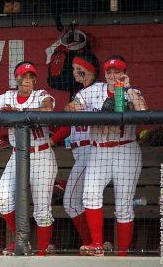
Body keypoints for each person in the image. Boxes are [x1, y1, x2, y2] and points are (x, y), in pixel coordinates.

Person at [66, 55, 148, 256]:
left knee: (123, 205)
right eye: (109, 71)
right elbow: (69, 106)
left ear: (125, 73)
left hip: (125, 149)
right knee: (90, 195)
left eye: (117, 71)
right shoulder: (93, 90)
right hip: (99, 149)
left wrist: (128, 89)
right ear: (105, 73)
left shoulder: (132, 92)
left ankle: (122, 254)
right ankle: (96, 245)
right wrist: (74, 107)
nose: (113, 75)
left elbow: (144, 112)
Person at [0, 61, 57, 256]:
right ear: (16, 78)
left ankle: (42, 252)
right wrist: (1, 113)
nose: (28, 80)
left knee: (42, 211)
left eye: (31, 76)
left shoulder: (41, 95)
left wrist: (18, 113)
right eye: (23, 76)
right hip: (17, 155)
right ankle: (22, 240)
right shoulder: (7, 97)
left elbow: (48, 109)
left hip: (41, 155)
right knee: (2, 198)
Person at [50, 53, 100, 247]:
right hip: (81, 153)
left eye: (75, 68)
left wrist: (52, 141)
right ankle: (93, 243)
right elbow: (69, 124)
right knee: (81, 201)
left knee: (71, 202)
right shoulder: (81, 93)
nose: (73, 72)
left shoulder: (100, 90)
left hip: (90, 151)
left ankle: (91, 243)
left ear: (85, 69)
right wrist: (53, 141)